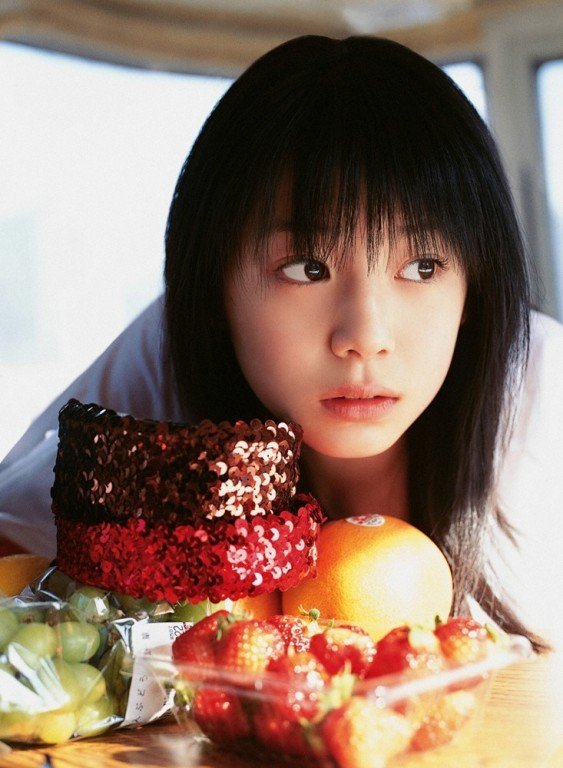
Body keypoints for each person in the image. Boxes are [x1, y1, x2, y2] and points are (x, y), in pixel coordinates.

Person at [1, 36, 562, 651]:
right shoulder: (162, 364)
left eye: (422, 267)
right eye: (307, 269)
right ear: (215, 290)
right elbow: (15, 543)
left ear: (475, 286)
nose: (365, 337)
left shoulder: (543, 392)